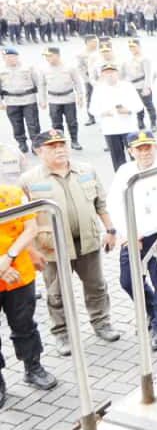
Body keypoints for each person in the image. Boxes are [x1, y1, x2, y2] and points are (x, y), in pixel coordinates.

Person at [20, 129, 121, 355]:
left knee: (96, 286)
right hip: (52, 247)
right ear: (38, 151)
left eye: (62, 144)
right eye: (52, 146)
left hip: (87, 242)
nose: (60, 150)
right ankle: (62, 333)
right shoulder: (28, 180)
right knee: (56, 294)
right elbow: (24, 219)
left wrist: (110, 229)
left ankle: (102, 323)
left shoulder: (86, 170)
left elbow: (100, 204)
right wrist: (30, 250)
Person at [106, 131, 157, 351]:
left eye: (148, 147)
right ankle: (152, 309)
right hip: (131, 236)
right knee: (128, 280)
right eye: (139, 148)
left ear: (155, 147)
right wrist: (128, 232)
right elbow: (114, 204)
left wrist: (142, 232)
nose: (144, 152)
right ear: (131, 151)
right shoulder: (125, 171)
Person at [0, 185, 58, 406]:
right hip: (7, 269)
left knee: (24, 323)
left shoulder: (14, 193)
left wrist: (9, 257)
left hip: (20, 274)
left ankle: (33, 367)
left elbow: (30, 228)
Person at [88, 64, 143, 171]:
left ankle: (139, 177)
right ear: (102, 75)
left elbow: (139, 105)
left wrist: (128, 110)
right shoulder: (98, 89)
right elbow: (92, 109)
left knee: (136, 157)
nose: (110, 75)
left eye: (112, 72)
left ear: (117, 73)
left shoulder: (127, 86)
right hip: (111, 129)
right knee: (118, 160)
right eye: (106, 73)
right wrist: (103, 113)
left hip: (129, 128)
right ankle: (122, 179)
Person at [38, 47, 85, 150]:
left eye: (50, 56)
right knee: (56, 123)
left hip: (68, 98)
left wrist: (80, 96)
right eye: (46, 56)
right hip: (53, 99)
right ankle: (60, 142)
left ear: (57, 55)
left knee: (72, 122)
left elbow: (77, 82)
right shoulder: (43, 69)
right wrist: (42, 100)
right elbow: (41, 85)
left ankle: (74, 141)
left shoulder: (69, 67)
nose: (47, 58)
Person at [0, 48, 42, 154]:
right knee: (16, 125)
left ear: (17, 56)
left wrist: (41, 99)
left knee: (33, 124)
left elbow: (39, 83)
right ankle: (22, 144)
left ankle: (35, 145)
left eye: (11, 57)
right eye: (6, 57)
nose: (9, 59)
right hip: (11, 101)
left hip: (29, 100)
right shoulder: (1, 70)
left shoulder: (28, 67)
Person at [122, 38, 157, 131]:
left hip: (142, 84)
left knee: (148, 105)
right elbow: (123, 74)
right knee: (137, 105)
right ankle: (140, 122)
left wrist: (147, 87)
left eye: (134, 47)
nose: (132, 49)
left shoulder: (145, 59)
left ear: (139, 47)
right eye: (130, 47)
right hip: (132, 86)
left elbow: (148, 74)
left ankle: (153, 123)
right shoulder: (127, 60)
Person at [77, 34, 99, 125]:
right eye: (93, 42)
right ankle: (91, 117)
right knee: (90, 98)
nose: (95, 43)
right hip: (89, 78)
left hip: (101, 78)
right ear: (87, 43)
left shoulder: (100, 51)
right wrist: (87, 79)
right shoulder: (82, 54)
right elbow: (80, 68)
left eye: (96, 42)